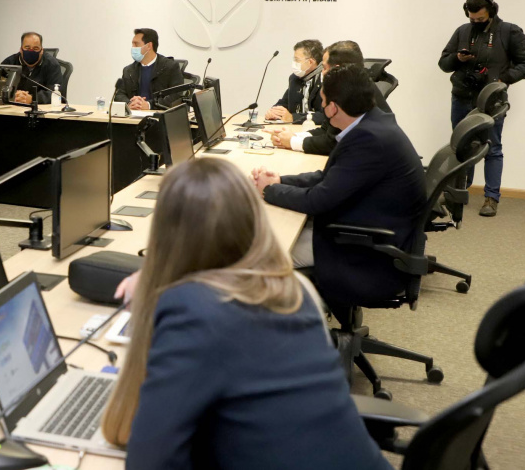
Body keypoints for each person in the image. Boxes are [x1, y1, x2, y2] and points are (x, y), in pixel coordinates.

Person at [101, 157, 391, 470]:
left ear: (165, 233)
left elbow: (149, 461)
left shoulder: (191, 307)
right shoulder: (293, 290)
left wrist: (154, 298)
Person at [252, 65, 425, 312]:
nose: (322, 108)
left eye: (322, 102)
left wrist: (269, 191)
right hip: (369, 226)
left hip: (362, 251)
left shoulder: (368, 140)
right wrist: (280, 180)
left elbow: (317, 201)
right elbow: (327, 178)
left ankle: (275, 332)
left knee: (258, 255)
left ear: (333, 107)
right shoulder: (374, 124)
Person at [438, 0, 525, 217]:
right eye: (472, 18)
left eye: (480, 19)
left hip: (492, 99)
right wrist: (457, 59)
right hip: (462, 96)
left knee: (493, 148)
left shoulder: (510, 31)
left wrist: (504, 79)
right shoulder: (462, 31)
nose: (476, 22)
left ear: (492, 12)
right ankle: (458, 193)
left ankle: (491, 198)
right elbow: (443, 63)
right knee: (461, 146)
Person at [268, 40, 388, 155]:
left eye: (324, 68)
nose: (322, 73)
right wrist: (294, 136)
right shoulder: (348, 87)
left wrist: (291, 142)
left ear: (337, 69)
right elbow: (326, 130)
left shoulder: (353, 93)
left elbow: (332, 143)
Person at [113, 28, 184, 110]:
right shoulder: (129, 70)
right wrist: (130, 103)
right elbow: (119, 94)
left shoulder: (170, 67)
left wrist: (149, 105)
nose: (133, 47)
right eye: (132, 44)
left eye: (136, 44)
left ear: (149, 46)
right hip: (133, 117)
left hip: (159, 116)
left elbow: (176, 95)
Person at [264, 39, 323, 123]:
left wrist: (293, 117)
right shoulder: (294, 78)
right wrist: (274, 112)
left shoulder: (325, 79)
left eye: (297, 60)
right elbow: (285, 102)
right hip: (294, 128)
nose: (294, 63)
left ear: (310, 62)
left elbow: (324, 116)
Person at [0, 32, 63, 105]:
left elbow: (57, 93)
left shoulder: (52, 64)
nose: (31, 51)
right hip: (11, 108)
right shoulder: (9, 63)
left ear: (42, 50)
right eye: (27, 48)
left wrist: (33, 98)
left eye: (35, 48)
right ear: (21, 49)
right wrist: (15, 96)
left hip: (39, 111)